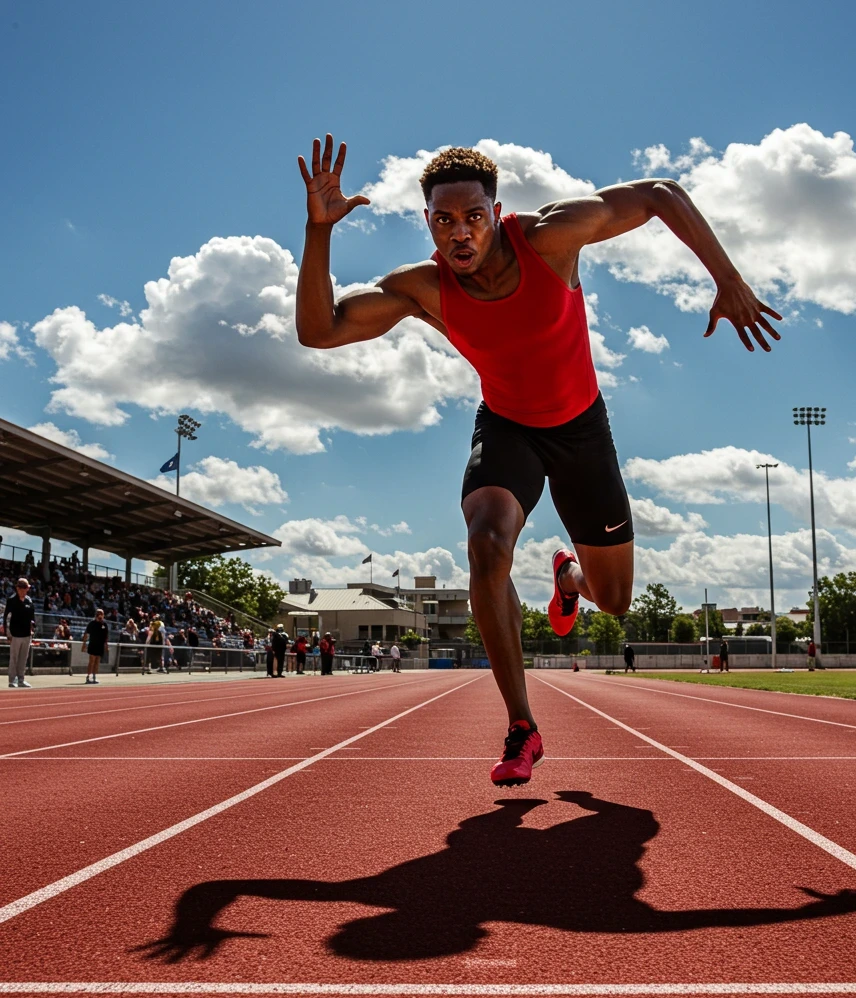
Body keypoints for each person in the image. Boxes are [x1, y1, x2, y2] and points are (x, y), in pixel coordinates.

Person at [296, 136, 782, 786]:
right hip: (507, 428)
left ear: (497, 213)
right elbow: (319, 330)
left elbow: (661, 195)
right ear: (428, 223)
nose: (460, 233)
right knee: (486, 544)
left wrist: (729, 280)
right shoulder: (425, 287)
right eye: (445, 220)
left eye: (473, 216)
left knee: (613, 601)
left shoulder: (551, 238)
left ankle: (570, 582)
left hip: (582, 431)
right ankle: (522, 724)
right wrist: (318, 231)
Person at [4, 577, 35, 688]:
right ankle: (12, 680)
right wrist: (8, 634)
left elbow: (32, 617)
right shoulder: (11, 600)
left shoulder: (29, 601)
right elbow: (7, 617)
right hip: (15, 634)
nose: (26, 590)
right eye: (24, 588)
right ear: (18, 588)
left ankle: (21, 679)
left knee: (23, 658)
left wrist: (32, 628)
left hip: (26, 634)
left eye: (27, 588)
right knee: (14, 658)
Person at [82, 608, 109, 684]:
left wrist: (106, 645)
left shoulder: (104, 624)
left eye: (102, 614)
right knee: (92, 661)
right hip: (93, 644)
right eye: (99, 614)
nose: (101, 615)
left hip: (100, 645)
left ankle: (94, 677)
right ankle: (88, 677)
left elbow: (106, 636)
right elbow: (86, 634)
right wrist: (84, 644)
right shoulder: (92, 623)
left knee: (97, 662)